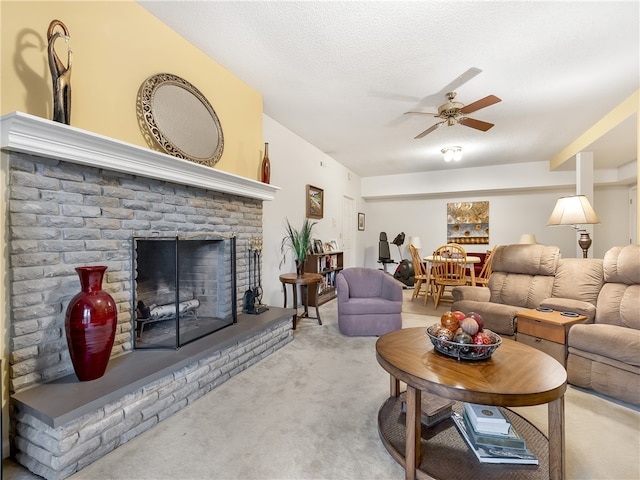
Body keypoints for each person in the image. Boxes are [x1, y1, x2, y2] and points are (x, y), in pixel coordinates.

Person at [47, 19, 72, 124]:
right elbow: (50, 49)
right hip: (61, 83)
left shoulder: (65, 73)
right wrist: (56, 36)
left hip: (65, 82)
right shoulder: (60, 75)